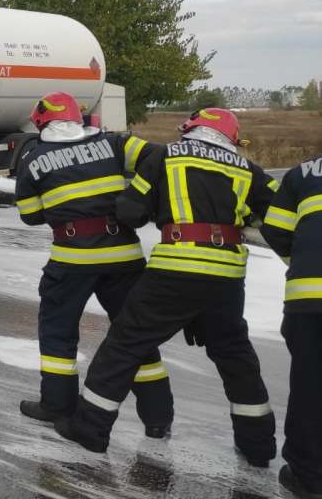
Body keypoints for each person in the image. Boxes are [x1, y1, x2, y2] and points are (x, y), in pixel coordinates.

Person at [54, 107, 277, 467]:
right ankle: (258, 447)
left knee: (125, 344)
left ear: (190, 129)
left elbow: (131, 211)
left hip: (176, 268)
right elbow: (280, 216)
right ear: (232, 138)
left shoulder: (164, 156)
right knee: (236, 357)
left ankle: (89, 428)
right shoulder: (247, 169)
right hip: (227, 277)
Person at [14, 92, 173, 435]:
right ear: (78, 117)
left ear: (40, 121)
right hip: (124, 256)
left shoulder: (33, 158)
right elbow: (160, 156)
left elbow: (30, 215)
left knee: (58, 331)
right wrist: (138, 194)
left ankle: (57, 406)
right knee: (134, 334)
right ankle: (158, 418)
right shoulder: (116, 144)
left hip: (72, 260)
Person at [261, 154, 322, 497]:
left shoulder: (301, 173)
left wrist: (301, 260)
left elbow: (275, 230)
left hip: (308, 299)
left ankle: (308, 476)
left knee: (309, 386)